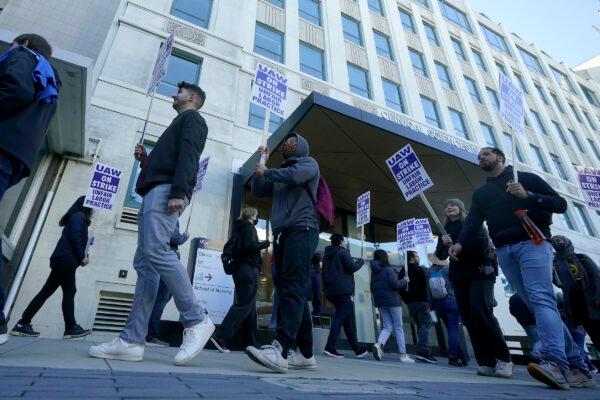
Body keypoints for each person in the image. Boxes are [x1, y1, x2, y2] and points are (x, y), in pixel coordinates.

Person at [89, 81, 214, 365]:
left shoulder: (193, 119)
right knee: (146, 266)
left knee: (157, 252)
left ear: (193, 97)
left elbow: (189, 156)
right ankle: (132, 340)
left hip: (166, 192)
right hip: (158, 190)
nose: (174, 94)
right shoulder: (178, 122)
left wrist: (179, 192)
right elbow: (168, 161)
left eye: (179, 91)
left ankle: (196, 319)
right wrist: (145, 160)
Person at [449, 147, 593, 389]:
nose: (481, 157)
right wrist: (460, 243)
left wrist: (528, 196)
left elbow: (560, 204)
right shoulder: (482, 193)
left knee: (541, 298)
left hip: (533, 243)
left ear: (500, 157)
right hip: (504, 250)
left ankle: (556, 363)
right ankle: (579, 367)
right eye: (479, 156)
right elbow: (473, 220)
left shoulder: (525, 178)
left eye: (486, 154)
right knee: (538, 305)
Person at [0, 33, 60, 345]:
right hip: (17, 157)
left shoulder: (23, 56)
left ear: (22, 43)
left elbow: (15, 88)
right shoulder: (51, 78)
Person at [245, 132, 320, 373]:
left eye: (293, 142)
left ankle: (281, 347)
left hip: (302, 229)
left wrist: (268, 171)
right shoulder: (277, 173)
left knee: (294, 288)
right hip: (282, 234)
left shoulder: (308, 164)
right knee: (289, 289)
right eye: (286, 143)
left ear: (302, 147)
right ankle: (306, 354)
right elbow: (257, 190)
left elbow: (295, 176)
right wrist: (263, 163)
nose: (288, 145)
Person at [436, 198, 512, 377]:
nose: (449, 207)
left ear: (461, 209)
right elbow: (440, 255)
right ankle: (486, 361)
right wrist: (443, 242)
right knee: (469, 318)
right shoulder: (445, 231)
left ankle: (504, 359)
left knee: (481, 312)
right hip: (459, 278)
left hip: (479, 274)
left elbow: (481, 247)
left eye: (453, 204)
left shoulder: (474, 224)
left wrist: (457, 245)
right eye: (446, 206)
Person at [10, 196, 91, 339]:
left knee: (45, 292)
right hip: (65, 260)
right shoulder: (79, 216)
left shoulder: (76, 217)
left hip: (61, 259)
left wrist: (84, 253)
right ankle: (70, 327)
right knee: (69, 291)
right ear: (87, 205)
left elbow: (76, 238)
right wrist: (82, 257)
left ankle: (22, 324)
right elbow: (75, 237)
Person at [210, 207, 270, 353]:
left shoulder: (239, 229)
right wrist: (264, 244)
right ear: (251, 215)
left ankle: (252, 344)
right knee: (243, 305)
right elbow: (249, 247)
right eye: (256, 215)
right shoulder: (249, 228)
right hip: (249, 270)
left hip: (240, 271)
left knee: (249, 309)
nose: (256, 218)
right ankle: (220, 337)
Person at [550, 235, 600, 351]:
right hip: (576, 304)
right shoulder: (555, 263)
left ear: (567, 242)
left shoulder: (582, 258)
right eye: (553, 241)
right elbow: (559, 283)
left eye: (559, 240)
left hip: (592, 300)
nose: (556, 243)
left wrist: (598, 296)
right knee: (594, 334)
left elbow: (597, 276)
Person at [321, 233, 367, 358]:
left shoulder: (326, 256)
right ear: (341, 241)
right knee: (340, 318)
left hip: (331, 291)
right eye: (344, 241)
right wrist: (361, 261)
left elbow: (323, 274)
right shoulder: (343, 252)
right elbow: (352, 267)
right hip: (343, 290)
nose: (345, 243)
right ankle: (330, 347)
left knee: (347, 320)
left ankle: (357, 349)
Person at [145, 222, 189, 347]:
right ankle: (151, 336)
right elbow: (175, 238)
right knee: (161, 299)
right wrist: (185, 236)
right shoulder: (171, 216)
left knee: (156, 299)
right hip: (167, 258)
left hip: (156, 256)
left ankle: (148, 334)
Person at [370, 249, 413, 362]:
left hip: (381, 303)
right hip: (393, 302)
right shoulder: (388, 270)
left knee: (387, 327)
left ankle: (379, 345)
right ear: (385, 258)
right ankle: (403, 355)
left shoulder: (374, 273)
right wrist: (404, 280)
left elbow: (372, 288)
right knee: (398, 328)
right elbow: (395, 285)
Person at [426, 254, 466, 367]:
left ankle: (460, 355)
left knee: (450, 329)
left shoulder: (429, 272)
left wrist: (430, 305)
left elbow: (428, 291)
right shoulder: (448, 269)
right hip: (451, 302)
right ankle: (453, 356)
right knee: (453, 330)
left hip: (437, 304)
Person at [399, 251, 437, 363]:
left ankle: (423, 349)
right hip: (423, 301)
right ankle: (423, 351)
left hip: (411, 304)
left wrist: (407, 300)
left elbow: (400, 288)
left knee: (420, 325)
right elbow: (427, 286)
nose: (418, 258)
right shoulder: (419, 269)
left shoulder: (402, 272)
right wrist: (430, 302)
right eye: (417, 256)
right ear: (411, 258)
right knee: (425, 325)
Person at [307, 252, 322, 316]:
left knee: (317, 294)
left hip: (315, 271)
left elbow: (321, 265)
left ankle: (316, 313)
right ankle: (309, 312)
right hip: (309, 271)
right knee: (308, 294)